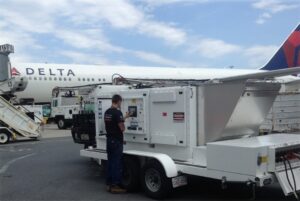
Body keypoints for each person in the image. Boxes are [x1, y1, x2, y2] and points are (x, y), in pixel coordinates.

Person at [104, 94, 130, 193]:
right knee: (117, 163)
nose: (121, 104)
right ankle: (115, 185)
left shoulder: (107, 112)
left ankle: (109, 184)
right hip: (116, 142)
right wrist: (123, 125)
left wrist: (125, 117)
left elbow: (114, 122)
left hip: (109, 140)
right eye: (120, 102)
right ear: (118, 101)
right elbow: (121, 128)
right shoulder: (117, 112)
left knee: (110, 162)